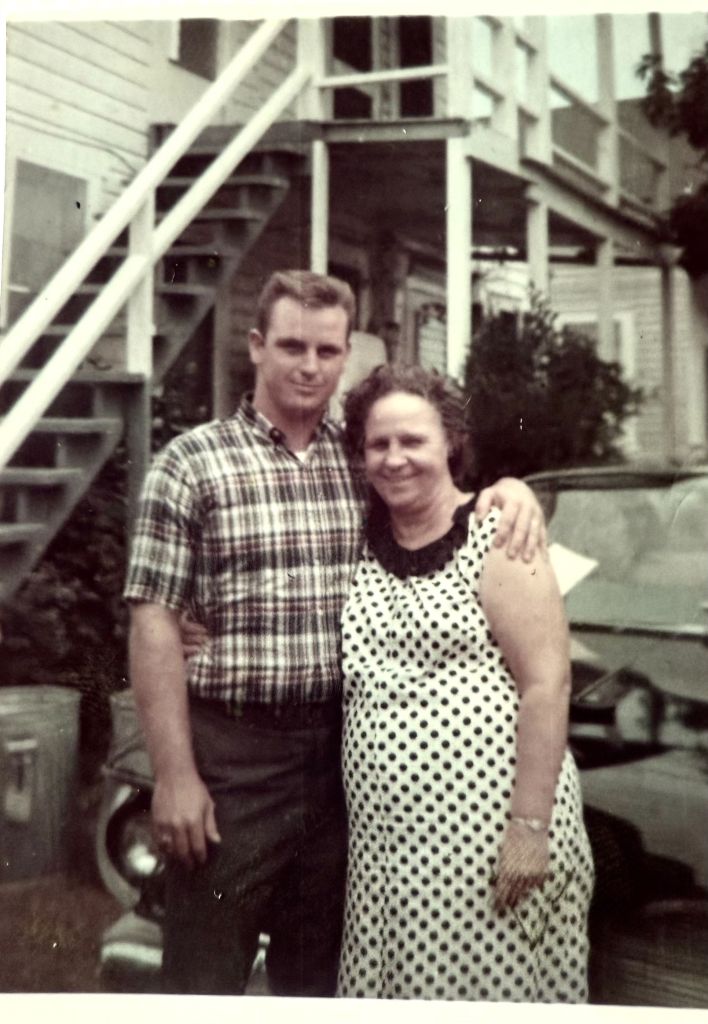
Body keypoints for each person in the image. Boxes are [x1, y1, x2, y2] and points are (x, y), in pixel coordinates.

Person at [124, 269, 546, 997]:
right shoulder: (190, 464)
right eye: (292, 346)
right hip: (234, 755)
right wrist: (174, 774)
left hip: (340, 758)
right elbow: (153, 620)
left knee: (321, 976)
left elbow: (442, 502)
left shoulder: (363, 465)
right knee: (204, 976)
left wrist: (511, 491)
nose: (309, 366)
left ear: (345, 355)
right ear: (256, 345)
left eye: (326, 350)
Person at [336, 364, 594, 1002]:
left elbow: (547, 685)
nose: (394, 458)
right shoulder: (358, 539)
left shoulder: (498, 534)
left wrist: (528, 831)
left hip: (487, 837)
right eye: (378, 443)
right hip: (386, 849)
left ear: (450, 441)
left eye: (413, 440)